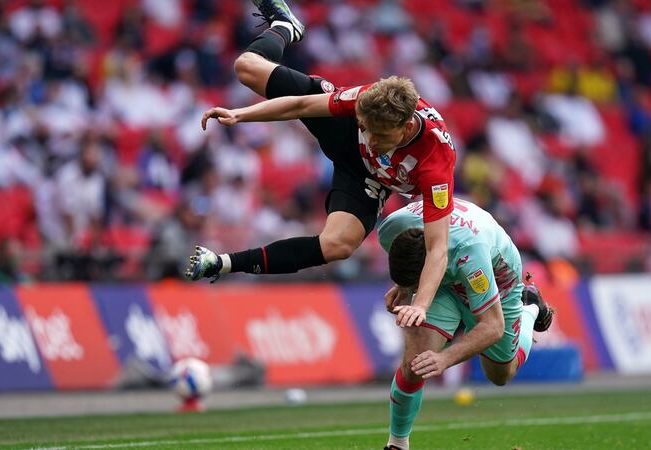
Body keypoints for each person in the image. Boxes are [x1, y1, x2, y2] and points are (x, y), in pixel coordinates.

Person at [186, 0, 456, 325]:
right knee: (245, 67)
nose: (370, 139)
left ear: (407, 128)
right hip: (341, 130)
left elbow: (438, 248)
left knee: (337, 245)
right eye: (366, 128)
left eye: (378, 136)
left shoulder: (435, 165)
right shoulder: (364, 102)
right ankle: (286, 26)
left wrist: (421, 305)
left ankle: (222, 263)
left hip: (366, 177)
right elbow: (299, 105)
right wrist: (240, 114)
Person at [377, 198, 554, 450]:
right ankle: (397, 443)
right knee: (416, 363)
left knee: (500, 375)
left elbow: (491, 326)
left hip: (495, 276)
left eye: (417, 285)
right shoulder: (391, 229)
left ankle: (530, 306)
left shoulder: (472, 256)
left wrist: (445, 359)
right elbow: (415, 259)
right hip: (442, 278)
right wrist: (405, 288)